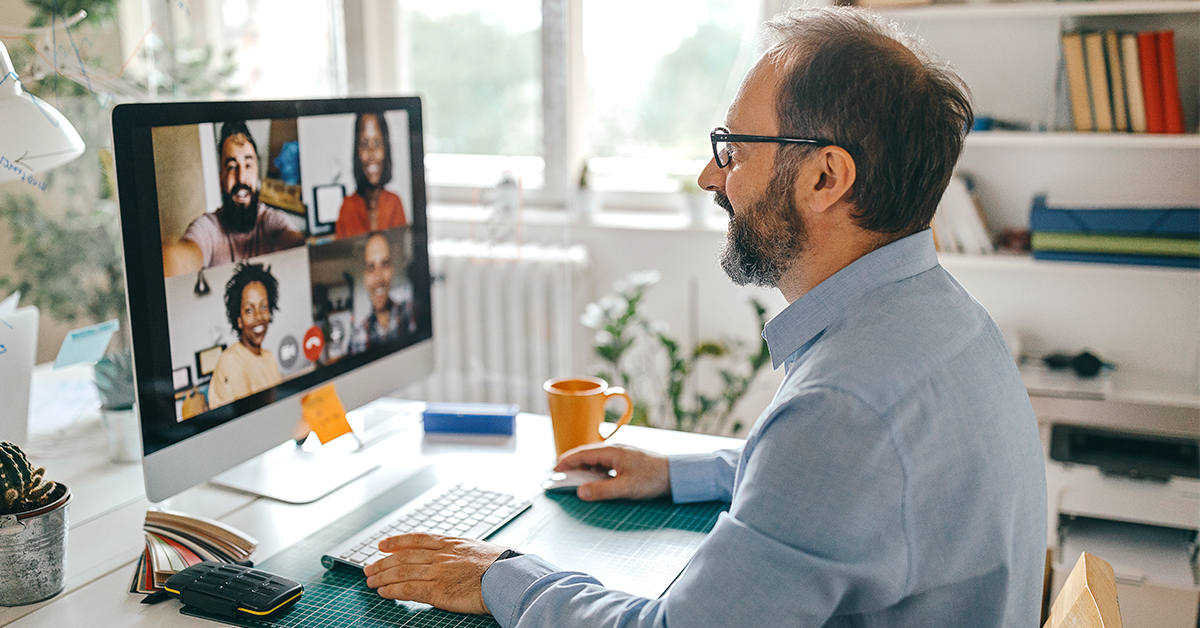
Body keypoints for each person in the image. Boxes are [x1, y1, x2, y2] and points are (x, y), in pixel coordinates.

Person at [361, 7, 1047, 627]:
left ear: (825, 178)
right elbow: (841, 490)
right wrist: (682, 472)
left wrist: (500, 576)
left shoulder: (845, 405)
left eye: (735, 151)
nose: (711, 177)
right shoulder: (949, 322)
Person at [163, 121, 305, 277]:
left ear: (257, 174)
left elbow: (294, 245)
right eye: (231, 167)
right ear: (220, 179)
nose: (241, 177)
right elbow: (181, 258)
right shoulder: (208, 229)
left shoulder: (273, 221)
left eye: (248, 165)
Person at [207, 262, 283, 409]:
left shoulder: (268, 357)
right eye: (249, 310)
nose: (258, 316)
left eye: (263, 307)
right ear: (239, 320)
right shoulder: (231, 361)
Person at [335, 113, 408, 239]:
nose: (371, 153)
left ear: (386, 148)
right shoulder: (347, 207)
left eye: (377, 143)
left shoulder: (394, 203)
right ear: (357, 151)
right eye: (364, 144)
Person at [349, 232, 416, 353]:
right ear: (364, 277)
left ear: (392, 269)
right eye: (371, 267)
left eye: (384, 264)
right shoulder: (358, 336)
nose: (378, 278)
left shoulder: (412, 313)